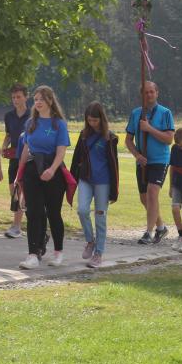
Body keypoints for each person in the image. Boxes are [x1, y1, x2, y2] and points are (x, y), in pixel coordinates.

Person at [15, 86, 70, 269]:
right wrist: (19, 175)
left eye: (41, 99)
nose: (37, 102)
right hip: (32, 170)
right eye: (36, 99)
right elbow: (25, 150)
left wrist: (52, 169)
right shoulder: (31, 123)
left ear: (50, 101)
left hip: (52, 171)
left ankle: (58, 253)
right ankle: (32, 255)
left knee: (53, 213)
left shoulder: (59, 124)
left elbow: (61, 151)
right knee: (33, 212)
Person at [70, 102, 119, 268]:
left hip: (103, 183)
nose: (92, 123)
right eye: (89, 120)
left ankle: (98, 253)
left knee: (100, 218)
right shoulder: (83, 135)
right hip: (85, 180)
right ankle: (90, 241)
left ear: (101, 119)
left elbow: (114, 165)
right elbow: (76, 159)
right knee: (82, 210)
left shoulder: (110, 138)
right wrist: (70, 181)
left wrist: (114, 191)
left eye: (95, 120)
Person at [125, 81, 175, 244]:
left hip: (160, 160)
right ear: (142, 95)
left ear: (157, 93)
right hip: (143, 161)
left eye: (152, 92)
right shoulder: (135, 114)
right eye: (146, 92)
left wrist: (149, 129)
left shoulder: (165, 113)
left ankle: (148, 232)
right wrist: (137, 155)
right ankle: (161, 227)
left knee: (153, 193)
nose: (149, 95)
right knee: (144, 198)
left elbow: (169, 139)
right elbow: (128, 140)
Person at [2, 83, 30, 238]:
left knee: (21, 192)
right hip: (14, 158)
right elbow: (8, 134)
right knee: (14, 191)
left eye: (19, 97)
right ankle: (19, 223)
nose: (16, 100)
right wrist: (4, 147)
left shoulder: (33, 115)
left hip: (29, 158)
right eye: (13, 97)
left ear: (26, 97)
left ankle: (16, 226)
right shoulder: (9, 116)